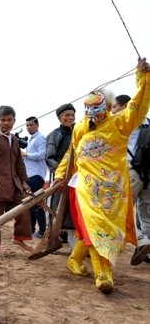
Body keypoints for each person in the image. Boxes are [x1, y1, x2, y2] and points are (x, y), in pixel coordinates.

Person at [53, 57, 150, 293]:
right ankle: (103, 275)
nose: (91, 115)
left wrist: (143, 78)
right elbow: (72, 154)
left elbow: (139, 103)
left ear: (107, 107)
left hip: (114, 189)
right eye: (88, 111)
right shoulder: (79, 128)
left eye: (96, 109)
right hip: (86, 188)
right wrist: (59, 175)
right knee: (97, 227)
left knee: (107, 231)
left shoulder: (120, 123)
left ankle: (74, 259)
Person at [0, 106, 33, 253]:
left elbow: (19, 163)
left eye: (9, 120)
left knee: (23, 210)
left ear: (14, 121)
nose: (6, 123)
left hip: (13, 183)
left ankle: (19, 238)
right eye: (3, 120)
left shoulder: (14, 140)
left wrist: (23, 181)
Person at [111, 94, 150, 265]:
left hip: (131, 171)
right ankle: (147, 248)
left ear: (123, 106)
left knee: (121, 210)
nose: (113, 110)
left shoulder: (125, 120)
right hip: (148, 173)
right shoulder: (147, 121)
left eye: (114, 106)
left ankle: (141, 242)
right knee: (145, 213)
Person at [45, 103, 77, 252]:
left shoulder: (79, 134)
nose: (70, 118)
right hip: (59, 180)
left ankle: (73, 248)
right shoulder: (54, 135)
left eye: (72, 115)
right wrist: (61, 174)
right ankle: (52, 244)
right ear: (60, 119)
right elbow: (49, 158)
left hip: (76, 181)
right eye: (67, 115)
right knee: (56, 213)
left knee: (73, 215)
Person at [22, 116, 48, 238]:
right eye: (27, 125)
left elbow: (42, 155)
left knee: (36, 203)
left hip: (36, 175)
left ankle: (42, 230)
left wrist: (26, 154)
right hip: (30, 175)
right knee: (31, 204)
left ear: (37, 125)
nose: (28, 127)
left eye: (31, 125)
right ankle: (31, 229)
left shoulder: (40, 138)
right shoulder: (31, 139)